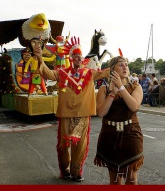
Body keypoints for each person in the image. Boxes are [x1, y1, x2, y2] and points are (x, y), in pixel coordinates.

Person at [35, 36, 110, 182]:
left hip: (83, 114)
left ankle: (76, 171)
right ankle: (65, 170)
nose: (78, 58)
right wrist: (40, 58)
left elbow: (105, 72)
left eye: (79, 56)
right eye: (75, 56)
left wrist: (119, 64)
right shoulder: (62, 72)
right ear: (71, 58)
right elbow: (47, 74)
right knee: (64, 144)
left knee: (80, 144)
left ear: (82, 59)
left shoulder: (89, 73)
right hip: (65, 114)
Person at [94, 56, 144, 185]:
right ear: (113, 69)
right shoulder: (103, 89)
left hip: (131, 133)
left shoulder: (135, 87)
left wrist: (121, 88)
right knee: (115, 180)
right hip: (109, 135)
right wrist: (112, 93)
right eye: (121, 65)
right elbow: (101, 112)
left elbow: (134, 107)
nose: (125, 67)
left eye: (126, 65)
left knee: (132, 179)